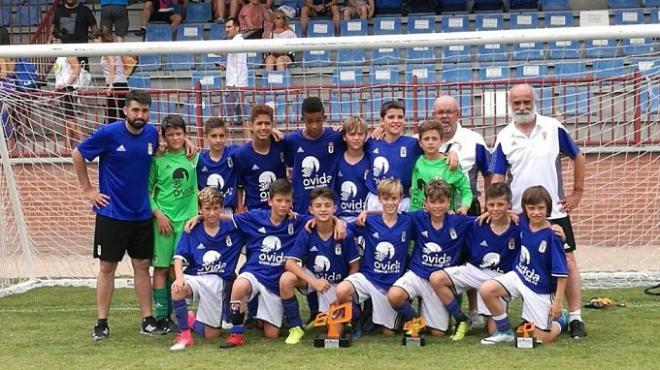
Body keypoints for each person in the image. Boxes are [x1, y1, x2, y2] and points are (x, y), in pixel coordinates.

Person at [490, 83, 587, 339]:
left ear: (535, 101)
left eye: (526, 102)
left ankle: (575, 317)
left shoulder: (553, 127)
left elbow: (578, 157)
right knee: (515, 260)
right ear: (510, 105)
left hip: (554, 210)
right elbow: (498, 177)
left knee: (568, 262)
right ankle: (511, 315)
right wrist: (499, 207)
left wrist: (577, 192)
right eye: (516, 103)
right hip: (518, 215)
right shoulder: (504, 136)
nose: (522, 107)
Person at [72, 90, 163, 340]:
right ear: (125, 110)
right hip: (112, 214)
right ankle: (102, 322)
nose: (140, 115)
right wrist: (87, 190)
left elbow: (159, 152)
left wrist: (186, 143)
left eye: (144, 111)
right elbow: (78, 154)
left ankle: (147, 319)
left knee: (143, 266)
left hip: (142, 214)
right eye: (135, 110)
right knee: (107, 267)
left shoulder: (152, 133)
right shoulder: (109, 133)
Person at [220, 179, 312, 348]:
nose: (283, 205)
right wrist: (198, 217)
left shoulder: (297, 221)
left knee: (272, 335)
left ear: (292, 201)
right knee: (239, 284)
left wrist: (337, 223)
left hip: (276, 282)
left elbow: (323, 218)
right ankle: (236, 333)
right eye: (279, 200)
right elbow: (224, 217)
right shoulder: (255, 217)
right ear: (270, 201)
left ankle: (268, 318)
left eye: (287, 201)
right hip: (255, 274)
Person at [479, 185, 570, 345]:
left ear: (548, 208)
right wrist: (489, 212)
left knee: (542, 338)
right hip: (519, 277)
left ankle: (561, 319)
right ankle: (504, 330)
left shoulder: (552, 236)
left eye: (541, 208)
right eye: (531, 208)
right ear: (525, 209)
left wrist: (558, 302)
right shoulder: (522, 221)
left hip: (540, 288)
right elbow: (506, 212)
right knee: (487, 289)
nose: (536, 212)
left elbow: (562, 272)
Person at [429, 182, 520, 341]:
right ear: (486, 205)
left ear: (509, 205)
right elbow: (451, 220)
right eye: (491, 204)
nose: (496, 208)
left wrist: (558, 230)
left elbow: (540, 223)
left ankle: (501, 326)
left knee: (492, 331)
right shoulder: (476, 223)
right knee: (436, 278)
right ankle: (461, 319)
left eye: (500, 204)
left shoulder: (519, 225)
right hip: (474, 271)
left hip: (499, 280)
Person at [387, 179, 474, 337]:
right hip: (417, 274)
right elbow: (391, 215)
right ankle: (416, 320)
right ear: (425, 203)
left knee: (438, 333)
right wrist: (367, 213)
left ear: (449, 202)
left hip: (438, 282)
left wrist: (505, 213)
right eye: (432, 202)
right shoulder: (418, 218)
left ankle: (460, 318)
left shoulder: (459, 221)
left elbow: (487, 222)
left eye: (442, 201)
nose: (437, 206)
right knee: (394, 295)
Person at [281, 187, 361, 344]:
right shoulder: (308, 231)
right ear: (311, 209)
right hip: (316, 282)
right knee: (286, 279)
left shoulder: (344, 233)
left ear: (335, 208)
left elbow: (355, 267)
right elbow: (289, 263)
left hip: (338, 286)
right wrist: (314, 282)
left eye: (327, 205)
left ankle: (355, 317)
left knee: (334, 335)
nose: (323, 209)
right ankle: (296, 327)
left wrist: (342, 294)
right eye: (318, 206)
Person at [169, 187, 245, 351]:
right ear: (200, 209)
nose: (211, 213)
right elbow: (178, 257)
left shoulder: (234, 229)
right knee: (176, 289)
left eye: (216, 208)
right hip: (195, 278)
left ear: (221, 208)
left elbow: (254, 219)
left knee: (212, 334)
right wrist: (179, 278)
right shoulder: (192, 229)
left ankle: (191, 321)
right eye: (207, 209)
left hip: (218, 282)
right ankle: (185, 336)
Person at [336, 179, 413, 336]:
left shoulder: (408, 221)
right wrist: (337, 221)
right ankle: (357, 320)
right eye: (386, 198)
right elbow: (344, 229)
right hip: (368, 278)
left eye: (394, 198)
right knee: (342, 290)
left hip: (391, 285)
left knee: (388, 333)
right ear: (379, 199)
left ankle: (402, 318)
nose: (390, 203)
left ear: (400, 198)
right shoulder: (368, 222)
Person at [148, 114, 200, 331]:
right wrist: (157, 213)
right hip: (164, 223)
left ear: (185, 134)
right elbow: (147, 190)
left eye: (179, 133)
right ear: (164, 137)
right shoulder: (158, 161)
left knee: (176, 270)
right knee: (160, 269)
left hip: (186, 223)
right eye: (170, 134)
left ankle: (180, 315)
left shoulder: (193, 157)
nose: (175, 138)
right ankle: (161, 316)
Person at [432, 95, 491, 216]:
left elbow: (489, 173)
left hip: (466, 210)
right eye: (440, 112)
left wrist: (489, 205)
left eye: (449, 112)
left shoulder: (474, 140)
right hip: (432, 211)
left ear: (458, 114)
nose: (444, 116)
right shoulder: (421, 141)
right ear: (434, 115)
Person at [284, 96, 344, 214]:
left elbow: (357, 139)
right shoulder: (292, 141)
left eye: (318, 120)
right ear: (302, 119)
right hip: (303, 208)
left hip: (329, 208)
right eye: (310, 121)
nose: (314, 125)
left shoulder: (336, 137)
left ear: (324, 118)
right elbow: (287, 164)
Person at [365, 100, 421, 212]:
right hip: (376, 200)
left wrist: (450, 154)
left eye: (400, 117)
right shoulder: (371, 142)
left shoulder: (413, 143)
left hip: (402, 201)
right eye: (391, 117)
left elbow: (434, 153)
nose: (396, 121)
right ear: (382, 121)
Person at [409, 119, 472, 214]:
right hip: (418, 216)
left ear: (441, 141)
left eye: (434, 138)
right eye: (426, 139)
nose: (430, 142)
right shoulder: (415, 161)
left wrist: (464, 207)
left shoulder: (450, 164)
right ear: (420, 143)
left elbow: (466, 190)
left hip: (444, 218)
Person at [235, 104, 287, 211]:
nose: (263, 127)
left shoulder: (282, 145)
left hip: (280, 210)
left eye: (267, 123)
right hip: (255, 213)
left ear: (272, 125)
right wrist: (240, 207)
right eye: (259, 123)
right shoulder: (241, 154)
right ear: (251, 125)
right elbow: (239, 185)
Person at [197, 117, 239, 214]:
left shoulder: (233, 153)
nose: (218, 140)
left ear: (226, 136)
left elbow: (252, 146)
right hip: (207, 211)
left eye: (221, 135)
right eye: (214, 136)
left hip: (228, 210)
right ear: (205, 136)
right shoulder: (199, 159)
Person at [91, 27, 129, 124]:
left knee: (115, 113)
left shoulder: (107, 49)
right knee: (117, 112)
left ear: (99, 38)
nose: (93, 42)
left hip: (115, 83)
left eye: (94, 39)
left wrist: (111, 84)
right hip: (119, 82)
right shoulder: (112, 48)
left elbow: (113, 65)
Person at [335, 116, 370, 223]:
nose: (356, 138)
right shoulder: (336, 160)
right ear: (344, 137)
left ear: (365, 136)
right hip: (341, 218)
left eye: (360, 134)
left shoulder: (371, 159)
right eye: (352, 134)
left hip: (365, 217)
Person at [52, 0, 97, 70]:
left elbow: (95, 29)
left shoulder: (85, 10)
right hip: (62, 54)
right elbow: (54, 30)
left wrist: (92, 36)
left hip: (81, 53)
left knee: (83, 79)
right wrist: (53, 40)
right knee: (62, 80)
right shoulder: (58, 11)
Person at [53, 54, 85, 148]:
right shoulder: (59, 56)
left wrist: (67, 84)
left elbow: (76, 68)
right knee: (67, 120)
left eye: (55, 41)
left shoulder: (69, 54)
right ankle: (70, 147)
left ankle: (85, 143)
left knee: (70, 119)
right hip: (62, 88)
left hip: (68, 89)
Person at [221, 17, 248, 125]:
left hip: (235, 83)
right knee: (243, 117)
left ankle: (227, 138)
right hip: (237, 82)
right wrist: (226, 65)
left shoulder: (238, 41)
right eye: (226, 27)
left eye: (229, 27)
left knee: (228, 117)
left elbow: (220, 51)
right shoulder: (237, 41)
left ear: (237, 28)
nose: (226, 29)